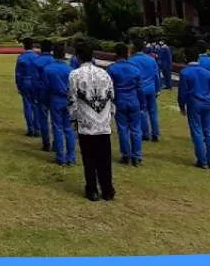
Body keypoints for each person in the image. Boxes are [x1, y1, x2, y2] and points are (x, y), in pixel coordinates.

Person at [68, 42, 115, 201]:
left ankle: (92, 189)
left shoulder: (75, 75)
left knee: (89, 159)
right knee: (105, 159)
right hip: (103, 122)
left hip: (86, 122)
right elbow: (111, 96)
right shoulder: (104, 74)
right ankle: (107, 189)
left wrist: (73, 119)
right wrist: (109, 117)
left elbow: (72, 100)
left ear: (78, 57)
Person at [178, 50, 210, 170]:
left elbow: (183, 92)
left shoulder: (185, 73)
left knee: (197, 131)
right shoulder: (207, 73)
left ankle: (202, 160)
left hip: (194, 103)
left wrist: (182, 105)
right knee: (209, 131)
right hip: (207, 102)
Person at [107, 43, 144, 166]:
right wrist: (142, 104)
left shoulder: (112, 69)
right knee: (136, 129)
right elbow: (140, 89)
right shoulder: (135, 69)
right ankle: (137, 156)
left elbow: (109, 88)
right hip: (133, 100)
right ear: (127, 53)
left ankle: (126, 154)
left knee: (123, 129)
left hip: (120, 100)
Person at [41, 43, 75, 166]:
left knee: (57, 127)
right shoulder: (70, 70)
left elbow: (44, 88)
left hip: (55, 99)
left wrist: (44, 102)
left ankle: (60, 156)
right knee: (69, 128)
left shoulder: (48, 69)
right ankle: (71, 156)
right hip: (68, 99)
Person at [128, 42, 161, 141]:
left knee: (142, 111)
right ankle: (155, 133)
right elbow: (156, 75)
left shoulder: (131, 61)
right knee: (153, 111)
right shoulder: (151, 60)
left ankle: (145, 133)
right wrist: (158, 89)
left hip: (139, 89)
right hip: (151, 88)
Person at [32, 40, 55, 151]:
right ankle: (57, 143)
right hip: (55, 92)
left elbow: (35, 80)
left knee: (43, 118)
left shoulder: (36, 61)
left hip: (42, 92)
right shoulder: (55, 61)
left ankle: (46, 142)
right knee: (56, 120)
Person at [15, 38, 39, 137]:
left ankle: (30, 128)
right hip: (35, 82)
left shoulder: (21, 58)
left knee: (27, 105)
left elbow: (18, 74)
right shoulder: (37, 57)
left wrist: (19, 86)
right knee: (36, 105)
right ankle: (37, 128)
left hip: (25, 81)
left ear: (24, 46)